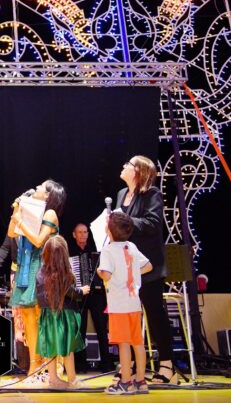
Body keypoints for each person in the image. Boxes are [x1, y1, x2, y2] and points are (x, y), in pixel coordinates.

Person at [114, 155, 181, 384]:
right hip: (125, 266)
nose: (123, 166)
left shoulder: (152, 194)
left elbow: (153, 224)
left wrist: (124, 221)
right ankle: (130, 365)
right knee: (128, 316)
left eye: (128, 164)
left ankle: (167, 365)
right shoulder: (121, 195)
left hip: (147, 266)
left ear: (139, 171)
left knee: (154, 315)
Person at [7, 180, 64, 377]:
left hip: (42, 267)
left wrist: (21, 221)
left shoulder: (50, 213)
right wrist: (17, 213)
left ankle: (49, 367)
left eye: (41, 187)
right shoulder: (31, 211)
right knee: (29, 318)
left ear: (48, 195)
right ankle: (33, 366)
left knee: (42, 318)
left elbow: (39, 240)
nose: (36, 188)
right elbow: (11, 233)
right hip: (26, 266)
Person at [98, 212, 152, 395]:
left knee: (123, 344)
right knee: (138, 342)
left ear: (110, 230)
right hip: (134, 303)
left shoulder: (108, 249)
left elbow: (106, 274)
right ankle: (141, 381)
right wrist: (133, 275)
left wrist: (99, 271)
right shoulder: (132, 246)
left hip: (119, 305)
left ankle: (126, 382)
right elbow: (148, 266)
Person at [36, 235, 84, 390]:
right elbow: (70, 292)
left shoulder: (40, 273)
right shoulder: (65, 275)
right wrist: (81, 291)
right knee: (67, 349)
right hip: (63, 316)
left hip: (47, 316)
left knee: (50, 348)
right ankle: (72, 380)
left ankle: (53, 379)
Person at [70, 222, 112, 371]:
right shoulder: (70, 253)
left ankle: (106, 362)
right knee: (79, 330)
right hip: (80, 295)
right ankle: (81, 363)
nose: (83, 235)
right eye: (80, 232)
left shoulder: (95, 250)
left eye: (85, 232)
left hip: (96, 294)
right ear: (74, 235)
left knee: (101, 327)